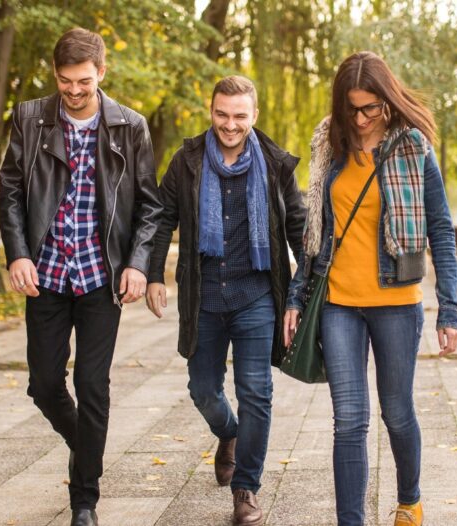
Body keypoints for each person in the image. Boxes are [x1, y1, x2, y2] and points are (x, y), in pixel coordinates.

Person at [283, 51, 457, 526]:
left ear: (387, 100)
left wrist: (450, 311)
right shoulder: (330, 145)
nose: (360, 120)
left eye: (370, 109)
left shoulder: (413, 147)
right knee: (349, 421)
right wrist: (296, 296)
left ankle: (410, 498)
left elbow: (441, 230)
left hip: (396, 304)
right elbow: (314, 233)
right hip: (339, 304)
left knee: (397, 414)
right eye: (352, 109)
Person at [0, 28, 162, 526]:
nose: (74, 90)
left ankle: (84, 499)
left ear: (102, 74)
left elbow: (150, 206)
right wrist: (17, 254)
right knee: (45, 385)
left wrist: (137, 263)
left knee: (93, 386)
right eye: (65, 81)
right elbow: (8, 192)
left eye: (84, 82)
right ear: (56, 75)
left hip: (99, 277)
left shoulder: (130, 127)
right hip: (44, 275)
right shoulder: (29, 118)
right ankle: (86, 447)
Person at [146, 76, 306, 526]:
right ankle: (230, 435)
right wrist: (154, 273)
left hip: (256, 294)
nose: (229, 125)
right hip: (203, 294)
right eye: (222, 114)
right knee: (202, 390)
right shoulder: (187, 160)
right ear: (210, 110)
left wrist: (305, 290)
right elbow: (162, 218)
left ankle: (246, 489)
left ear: (254, 116)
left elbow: (297, 228)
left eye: (239, 116)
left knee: (257, 393)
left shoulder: (275, 164)